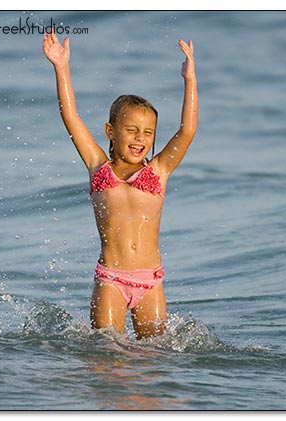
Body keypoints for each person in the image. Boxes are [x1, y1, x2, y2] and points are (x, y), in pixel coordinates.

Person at [43, 30, 198, 339]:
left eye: (148, 132)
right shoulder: (98, 167)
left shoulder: (158, 171)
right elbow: (71, 116)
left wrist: (190, 79)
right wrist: (61, 67)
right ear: (110, 131)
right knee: (107, 356)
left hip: (151, 282)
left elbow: (187, 130)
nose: (141, 138)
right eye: (131, 129)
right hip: (110, 280)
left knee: (153, 360)